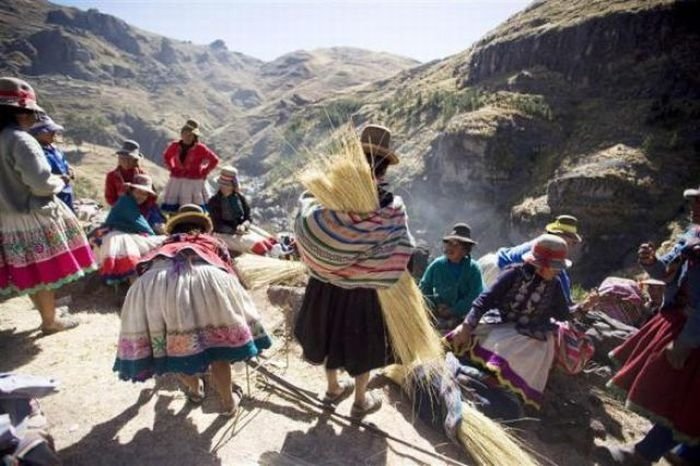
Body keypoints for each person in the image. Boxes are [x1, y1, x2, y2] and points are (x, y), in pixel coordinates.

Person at [113, 204, 272, 415]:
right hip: (207, 280)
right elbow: (228, 270)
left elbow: (143, 268)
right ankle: (228, 404)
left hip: (157, 285)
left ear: (175, 229)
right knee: (219, 350)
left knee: (172, 348)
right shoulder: (212, 242)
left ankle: (195, 389)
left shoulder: (162, 246)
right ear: (203, 228)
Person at [294, 124, 404, 417]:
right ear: (383, 168)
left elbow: (308, 223)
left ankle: (332, 389)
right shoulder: (389, 204)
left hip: (326, 282)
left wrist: (334, 257)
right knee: (362, 341)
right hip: (364, 289)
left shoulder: (326, 193)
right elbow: (401, 248)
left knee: (328, 333)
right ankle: (359, 400)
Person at [601, 186, 700, 465]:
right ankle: (685, 454)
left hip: (693, 330)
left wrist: (686, 342)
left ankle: (644, 454)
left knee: (683, 395)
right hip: (682, 321)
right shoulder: (692, 236)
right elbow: (667, 272)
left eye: (698, 202)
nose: (692, 207)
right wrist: (651, 261)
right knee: (683, 395)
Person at [0, 77, 96, 333]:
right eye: (32, 112)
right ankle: (50, 321)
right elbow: (40, 183)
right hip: (32, 213)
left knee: (29, 269)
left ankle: (48, 313)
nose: (34, 118)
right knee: (42, 270)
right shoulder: (20, 140)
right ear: (19, 113)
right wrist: (57, 182)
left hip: (5, 216)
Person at [448, 234, 573, 408]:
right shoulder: (513, 273)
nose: (558, 271)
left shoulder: (555, 284)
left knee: (539, 348)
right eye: (555, 267)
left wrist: (582, 308)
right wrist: (467, 325)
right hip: (500, 322)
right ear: (541, 266)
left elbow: (563, 314)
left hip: (530, 332)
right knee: (500, 339)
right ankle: (486, 375)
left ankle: (506, 385)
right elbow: (485, 300)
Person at [480, 214, 582, 303]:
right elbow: (558, 276)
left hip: (497, 263)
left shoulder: (546, 245)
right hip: (496, 267)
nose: (571, 246)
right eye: (569, 241)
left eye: (572, 243)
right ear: (558, 236)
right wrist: (567, 302)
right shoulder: (544, 248)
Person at [91, 174, 166, 285]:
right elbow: (142, 225)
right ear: (131, 190)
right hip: (115, 236)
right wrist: (154, 235)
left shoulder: (129, 202)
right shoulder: (126, 203)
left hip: (122, 234)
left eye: (145, 194)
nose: (141, 196)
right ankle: (134, 285)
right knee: (128, 245)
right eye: (138, 192)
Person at [419, 223, 484, 332]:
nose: (449, 248)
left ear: (465, 250)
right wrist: (435, 306)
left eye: (455, 245)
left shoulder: (473, 269)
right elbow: (424, 288)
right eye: (448, 244)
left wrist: (453, 310)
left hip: (465, 316)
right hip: (439, 313)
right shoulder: (437, 265)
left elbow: (474, 296)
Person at [208, 165, 276, 256]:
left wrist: (244, 226)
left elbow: (248, 217)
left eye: (227, 185)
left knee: (271, 240)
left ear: (233, 186)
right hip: (223, 233)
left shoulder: (240, 198)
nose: (224, 187)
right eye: (222, 184)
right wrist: (234, 231)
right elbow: (217, 225)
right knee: (259, 245)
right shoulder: (214, 201)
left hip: (241, 228)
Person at [161, 119, 219, 213]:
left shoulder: (200, 148)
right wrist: (172, 168)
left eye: (190, 134)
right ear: (181, 134)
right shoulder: (175, 146)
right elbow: (167, 156)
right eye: (185, 133)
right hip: (177, 180)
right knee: (173, 207)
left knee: (193, 208)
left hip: (194, 181)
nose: (187, 136)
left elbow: (214, 160)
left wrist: (204, 171)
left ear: (194, 136)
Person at [29, 114, 74, 212]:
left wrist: (69, 169)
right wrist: (58, 178)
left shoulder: (53, 148)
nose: (54, 133)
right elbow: (37, 176)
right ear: (37, 133)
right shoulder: (34, 152)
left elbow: (63, 161)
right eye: (49, 131)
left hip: (66, 194)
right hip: (51, 198)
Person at [104, 140, 146, 207]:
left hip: (138, 210)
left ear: (135, 160)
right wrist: (121, 207)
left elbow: (147, 197)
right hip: (118, 210)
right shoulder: (111, 176)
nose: (126, 162)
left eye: (129, 159)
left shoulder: (143, 176)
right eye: (123, 158)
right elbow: (110, 198)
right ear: (119, 159)